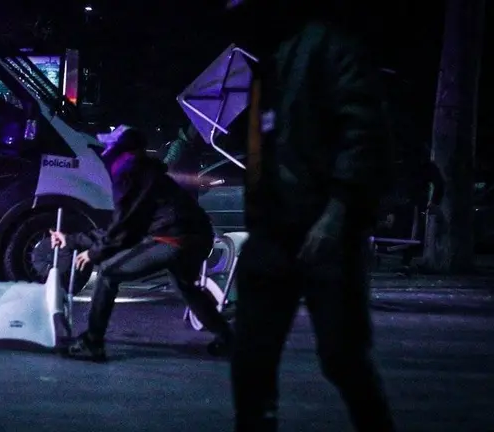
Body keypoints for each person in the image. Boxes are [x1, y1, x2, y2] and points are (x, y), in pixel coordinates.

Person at [227, 1, 397, 431]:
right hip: (273, 231)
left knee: (342, 357)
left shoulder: (328, 47)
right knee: (251, 357)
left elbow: (363, 132)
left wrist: (337, 213)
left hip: (325, 230)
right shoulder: (271, 59)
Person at [49, 125, 234, 362]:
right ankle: (228, 338)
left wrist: (94, 253)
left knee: (108, 273)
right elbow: (127, 227)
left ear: (124, 150)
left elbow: (124, 227)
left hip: (176, 238)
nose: (106, 150)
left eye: (111, 146)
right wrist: (74, 240)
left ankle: (92, 342)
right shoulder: (145, 171)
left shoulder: (132, 172)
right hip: (194, 236)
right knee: (185, 285)